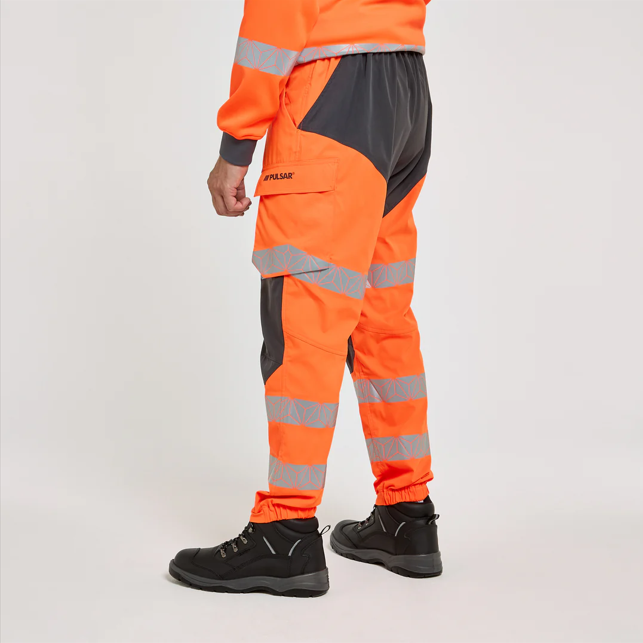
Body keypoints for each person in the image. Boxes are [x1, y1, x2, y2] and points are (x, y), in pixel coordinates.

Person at [169, 0, 441, 597]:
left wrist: (236, 146)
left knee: (305, 315)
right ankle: (406, 515)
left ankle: (285, 531)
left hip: (333, 93)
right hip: (406, 84)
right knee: (381, 314)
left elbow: (277, 14)